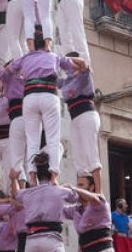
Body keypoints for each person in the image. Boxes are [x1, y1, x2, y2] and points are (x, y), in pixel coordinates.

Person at [7, 34, 84, 173]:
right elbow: (77, 66)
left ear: (33, 44)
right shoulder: (54, 56)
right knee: (53, 138)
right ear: (47, 43)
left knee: (32, 141)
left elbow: (6, 71)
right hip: (48, 95)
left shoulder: (25, 58)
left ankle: (31, 174)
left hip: (30, 97)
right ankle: (54, 174)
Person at [62, 52, 101, 191]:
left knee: (91, 152)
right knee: (78, 156)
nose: (68, 69)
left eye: (70, 65)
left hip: (87, 114)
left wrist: (64, 59)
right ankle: (82, 189)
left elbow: (84, 64)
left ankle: (99, 191)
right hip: (75, 117)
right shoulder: (67, 81)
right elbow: (52, 79)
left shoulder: (84, 74)